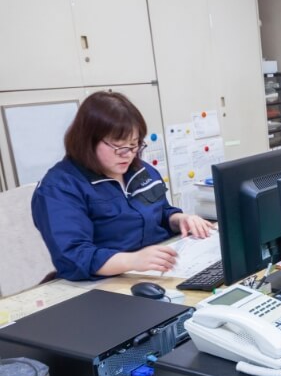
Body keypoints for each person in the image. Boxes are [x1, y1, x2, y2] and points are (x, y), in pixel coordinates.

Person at [31, 91, 212, 281]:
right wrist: (133, 261)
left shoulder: (140, 170)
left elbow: (162, 212)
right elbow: (74, 256)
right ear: (87, 141)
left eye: (134, 145)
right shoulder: (60, 187)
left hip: (158, 272)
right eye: (119, 146)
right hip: (104, 284)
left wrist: (180, 219)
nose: (128, 154)